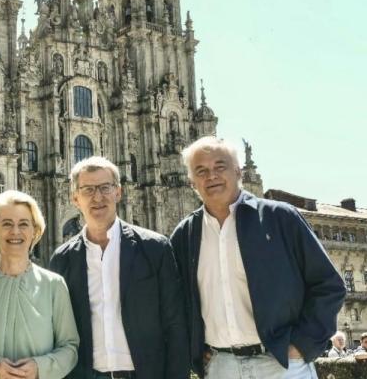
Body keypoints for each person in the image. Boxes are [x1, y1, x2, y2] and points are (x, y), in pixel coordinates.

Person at [170, 136, 346, 379]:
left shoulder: (279, 217)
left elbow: (328, 284)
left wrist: (302, 345)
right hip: (221, 367)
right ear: (191, 182)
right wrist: (195, 351)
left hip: (282, 364)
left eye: (220, 167)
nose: (211, 176)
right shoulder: (184, 235)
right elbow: (175, 303)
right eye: (201, 170)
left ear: (238, 171)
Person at [49, 156, 189, 378]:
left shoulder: (155, 248)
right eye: (88, 190)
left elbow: (175, 324)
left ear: (118, 192)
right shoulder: (62, 259)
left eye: (105, 187)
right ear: (75, 198)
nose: (98, 197)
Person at [0, 190, 79, 379]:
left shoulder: (54, 285)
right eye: (6, 224)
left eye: (23, 224)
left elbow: (70, 348)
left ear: (35, 231)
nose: (15, 232)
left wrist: (40, 367)